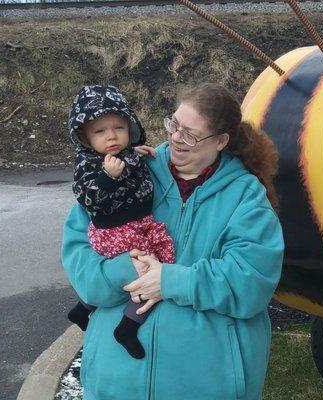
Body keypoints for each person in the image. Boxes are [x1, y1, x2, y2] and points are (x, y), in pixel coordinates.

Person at [61, 82, 284, 399]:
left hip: (205, 385)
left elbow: (251, 283)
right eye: (174, 125)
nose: (177, 138)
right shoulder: (130, 170)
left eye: (191, 134)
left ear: (221, 141)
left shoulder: (245, 196)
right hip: (117, 384)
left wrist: (171, 281)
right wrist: (127, 270)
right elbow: (81, 263)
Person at [66, 85, 175, 360]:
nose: (111, 137)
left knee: (157, 267)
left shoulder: (126, 154)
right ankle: (128, 326)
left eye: (118, 128)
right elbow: (87, 199)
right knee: (154, 269)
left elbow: (130, 162)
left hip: (136, 225)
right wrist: (106, 177)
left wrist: (140, 153)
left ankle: (82, 309)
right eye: (100, 132)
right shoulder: (90, 164)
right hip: (116, 231)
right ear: (85, 136)